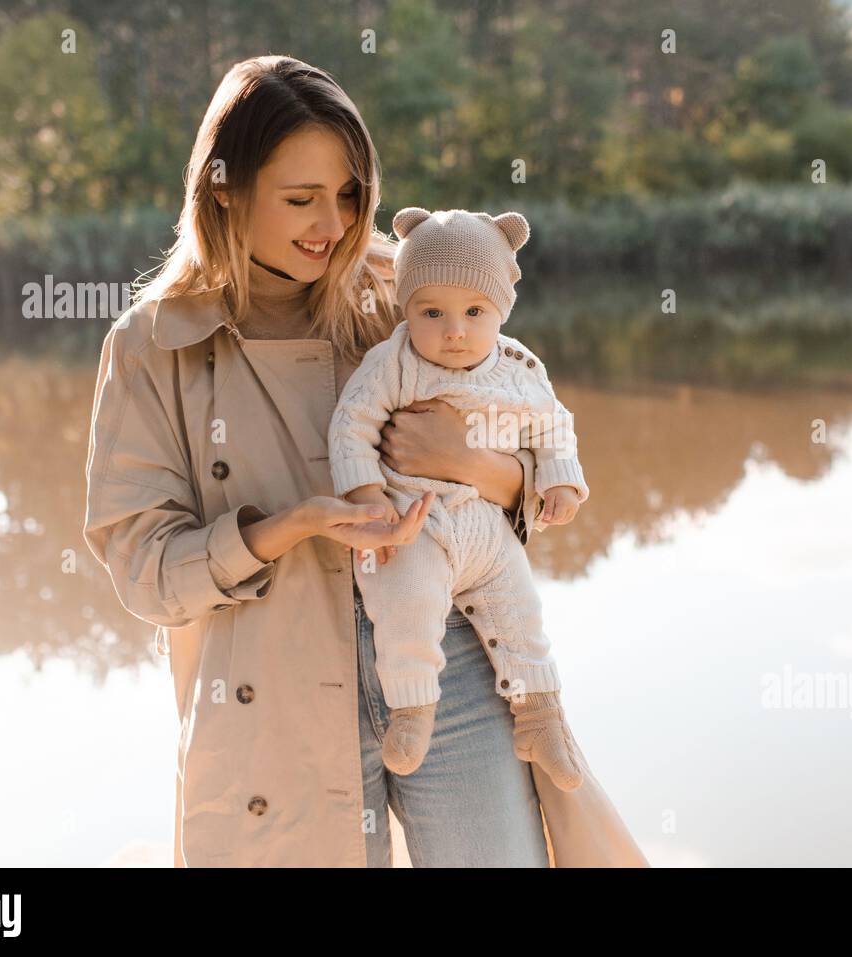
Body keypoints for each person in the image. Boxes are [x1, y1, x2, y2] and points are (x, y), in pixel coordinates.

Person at [83, 53, 646, 867]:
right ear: (224, 189)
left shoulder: (403, 292)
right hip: (273, 685)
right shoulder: (154, 346)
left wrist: (481, 466)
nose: (334, 224)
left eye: (350, 195)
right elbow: (141, 569)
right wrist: (289, 527)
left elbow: (533, 437)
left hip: (446, 658)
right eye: (301, 198)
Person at [329, 206, 588, 787]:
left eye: (475, 312)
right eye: (432, 312)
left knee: (523, 613)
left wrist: (560, 479)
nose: (454, 330)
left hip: (488, 528)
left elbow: (553, 427)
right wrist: (371, 499)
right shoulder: (394, 362)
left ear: (501, 310)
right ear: (406, 308)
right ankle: (413, 709)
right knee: (407, 602)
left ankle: (540, 713)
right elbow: (352, 425)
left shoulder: (520, 366)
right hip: (416, 520)